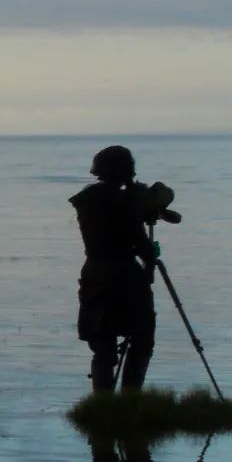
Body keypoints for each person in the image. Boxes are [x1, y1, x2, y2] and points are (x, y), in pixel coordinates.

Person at [69, 145, 159, 392]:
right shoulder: (125, 202)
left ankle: (102, 402)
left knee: (102, 342)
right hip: (124, 276)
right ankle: (131, 399)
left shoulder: (86, 199)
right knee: (141, 338)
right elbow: (141, 244)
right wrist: (151, 257)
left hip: (95, 273)